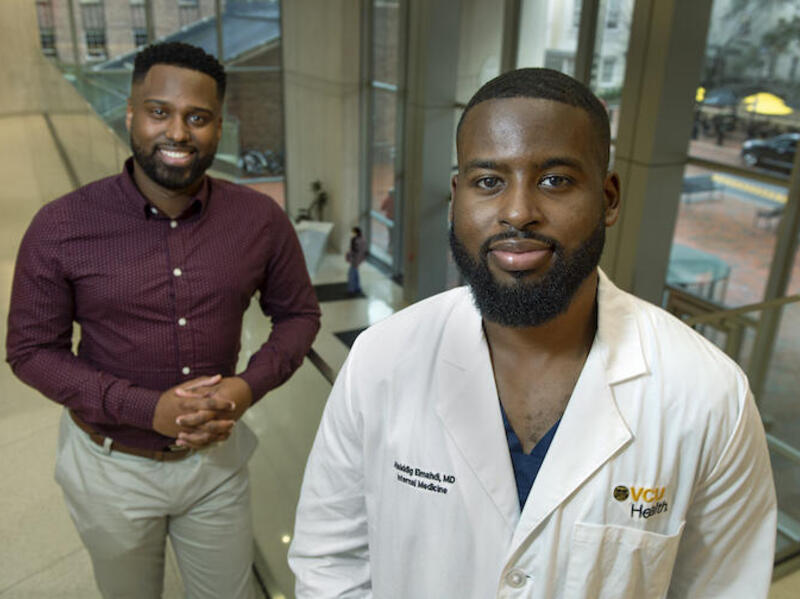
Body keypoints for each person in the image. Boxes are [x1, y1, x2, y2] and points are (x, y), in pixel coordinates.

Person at [288, 68, 776, 598]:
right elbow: (329, 562)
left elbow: (726, 589)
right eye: (489, 181)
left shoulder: (708, 396)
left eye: (554, 180)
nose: (518, 211)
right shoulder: (381, 359)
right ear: (456, 199)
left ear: (608, 198)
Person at [6, 42, 320, 599]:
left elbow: (297, 315)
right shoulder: (61, 226)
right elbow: (31, 351)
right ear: (130, 116)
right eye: (159, 112)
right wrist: (147, 409)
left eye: (197, 117)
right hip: (110, 468)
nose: (178, 132)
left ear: (219, 127)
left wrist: (246, 388)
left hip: (214, 464)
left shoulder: (258, 221)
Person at [345, 226, 367, 295]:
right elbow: (362, 251)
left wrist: (349, 257)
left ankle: (351, 289)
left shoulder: (355, 240)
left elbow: (354, 251)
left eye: (353, 232)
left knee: (351, 274)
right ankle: (357, 287)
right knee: (355, 273)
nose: (351, 233)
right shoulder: (362, 239)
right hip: (358, 260)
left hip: (355, 260)